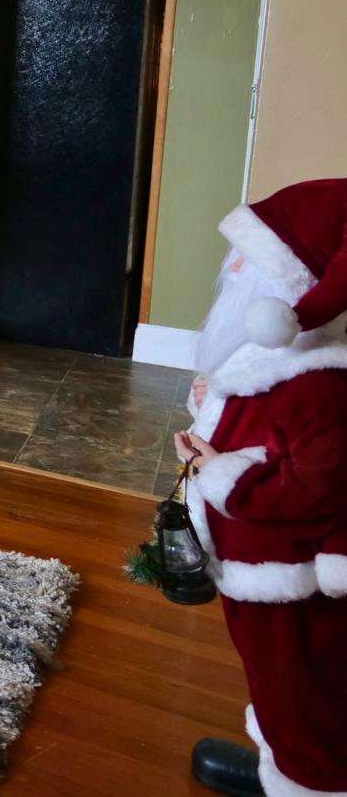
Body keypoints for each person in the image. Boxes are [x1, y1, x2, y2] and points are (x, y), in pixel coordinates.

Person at [175, 178, 347, 797]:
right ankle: (283, 760)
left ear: (294, 288)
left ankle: (311, 780)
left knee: (301, 688)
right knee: (274, 685)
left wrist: (218, 471)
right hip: (255, 572)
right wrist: (214, 402)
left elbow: (312, 491)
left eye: (251, 256)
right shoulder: (274, 363)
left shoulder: (320, 383)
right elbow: (265, 429)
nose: (233, 266)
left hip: (288, 581)